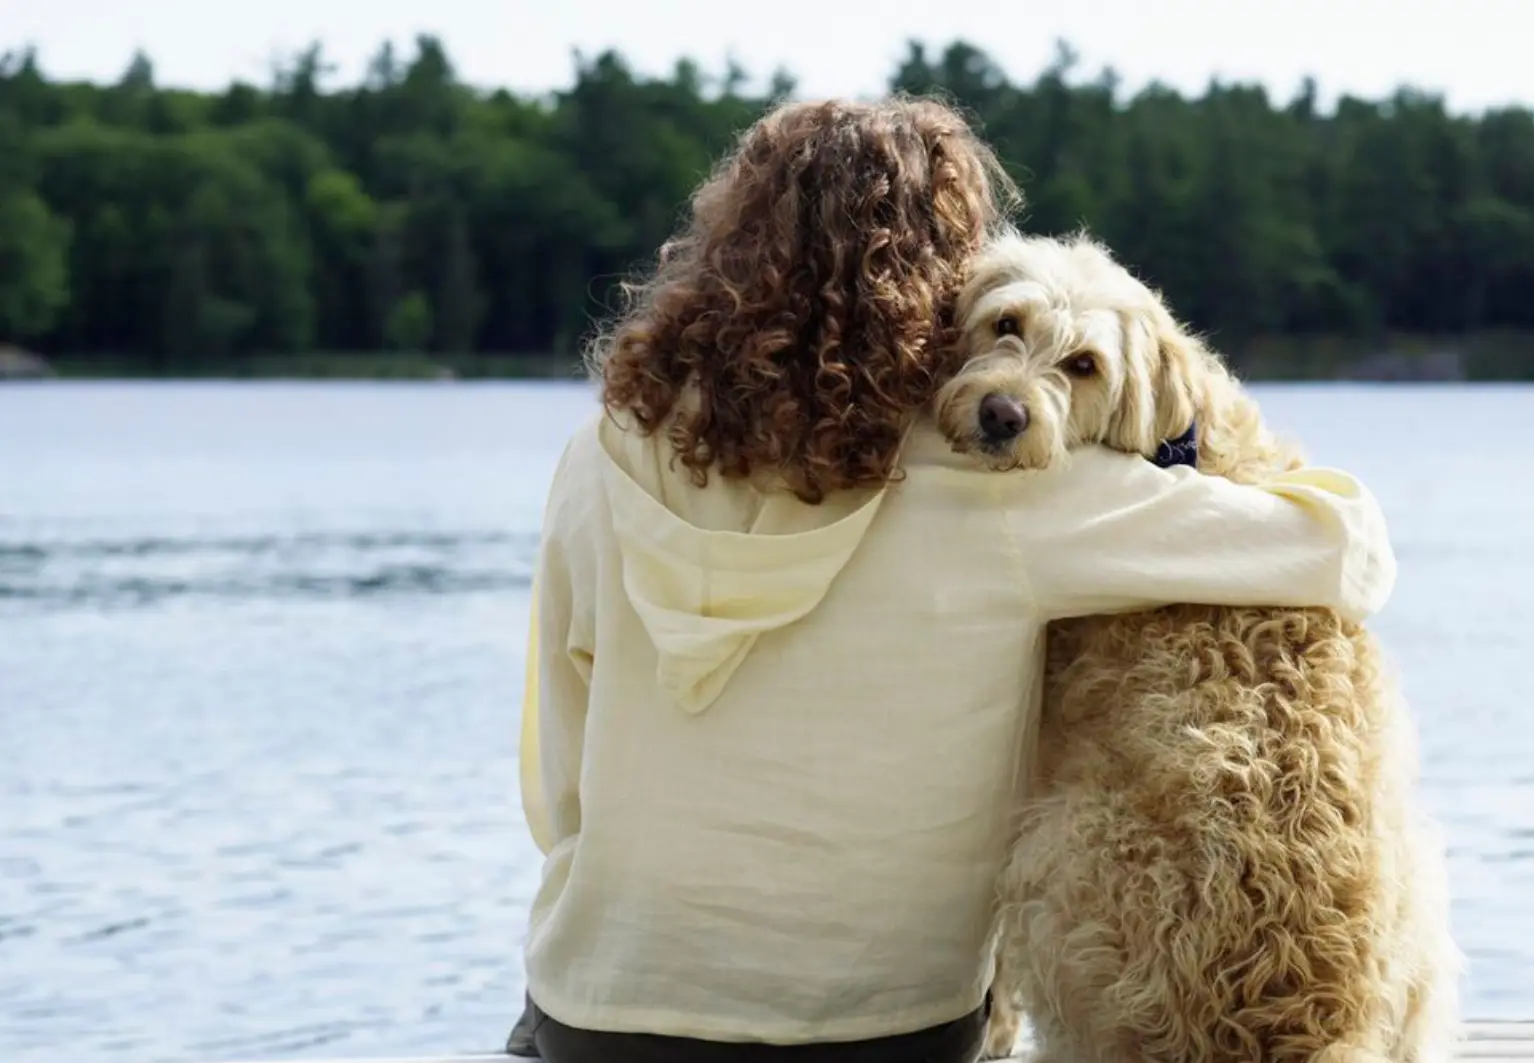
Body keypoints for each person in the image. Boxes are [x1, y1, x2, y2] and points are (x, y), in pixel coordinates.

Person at [506, 96, 1397, 1063]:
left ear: (722, 246)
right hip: (884, 1032)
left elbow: (558, 777)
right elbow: (1343, 548)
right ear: (934, 285)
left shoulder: (601, 455)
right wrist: (1190, 420)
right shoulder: (1005, 493)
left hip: (601, 1012)